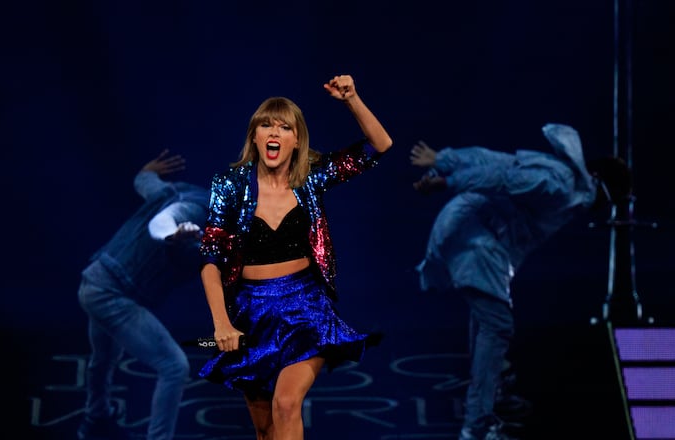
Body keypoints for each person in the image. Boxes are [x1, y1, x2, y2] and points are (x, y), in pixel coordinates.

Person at [197, 74, 393, 439]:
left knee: (287, 404)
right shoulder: (229, 184)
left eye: (284, 127)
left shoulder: (313, 176)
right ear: (255, 137)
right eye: (266, 125)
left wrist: (352, 99)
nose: (274, 132)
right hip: (248, 312)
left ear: (296, 139)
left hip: (305, 307)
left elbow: (379, 146)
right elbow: (210, 259)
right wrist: (222, 323)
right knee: (266, 428)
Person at [409, 123, 631, 440]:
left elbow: (496, 160)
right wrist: (447, 177)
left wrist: (446, 160)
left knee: (488, 319)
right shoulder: (561, 185)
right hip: (477, 241)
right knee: (497, 324)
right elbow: (499, 175)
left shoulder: (565, 182)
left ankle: (493, 391)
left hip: (479, 237)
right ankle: (477, 427)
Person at [77, 149, 210, 440]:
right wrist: (174, 235)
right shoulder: (196, 211)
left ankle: (95, 418)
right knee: (174, 367)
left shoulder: (175, 191)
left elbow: (145, 182)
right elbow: (162, 223)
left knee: (104, 357)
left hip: (94, 280)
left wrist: (146, 172)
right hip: (109, 294)